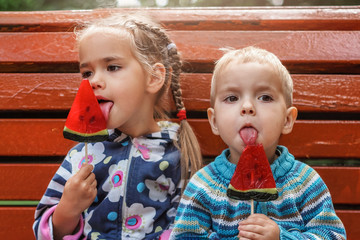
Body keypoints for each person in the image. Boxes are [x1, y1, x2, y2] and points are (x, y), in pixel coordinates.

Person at [33, 13, 202, 240]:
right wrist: (68, 209)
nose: (94, 81)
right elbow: (44, 233)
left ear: (153, 77)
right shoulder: (81, 155)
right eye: (87, 73)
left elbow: (186, 227)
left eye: (112, 67)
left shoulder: (176, 154)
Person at [169, 46, 346, 239]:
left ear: (287, 120)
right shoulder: (203, 187)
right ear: (214, 121)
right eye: (232, 98)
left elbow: (333, 235)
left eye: (265, 97)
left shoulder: (305, 183)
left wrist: (281, 237)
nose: (247, 107)